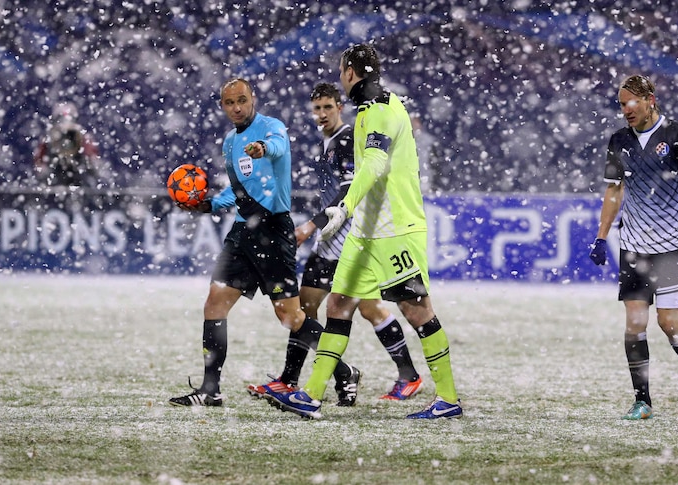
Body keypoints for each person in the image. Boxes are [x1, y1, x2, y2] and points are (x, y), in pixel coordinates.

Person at [266, 44, 462, 420]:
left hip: (393, 230)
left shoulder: (380, 111)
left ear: (351, 73)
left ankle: (448, 399)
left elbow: (372, 163)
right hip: (366, 233)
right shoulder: (375, 109)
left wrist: (344, 207)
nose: (341, 77)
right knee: (338, 305)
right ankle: (310, 395)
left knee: (417, 310)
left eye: (342, 71)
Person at [168, 78, 360, 407]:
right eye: (230, 103)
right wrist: (209, 205)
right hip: (243, 232)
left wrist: (263, 149)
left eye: (242, 100)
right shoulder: (230, 143)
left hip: (273, 231)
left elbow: (277, 147)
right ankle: (210, 390)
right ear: (222, 106)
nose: (237, 108)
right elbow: (238, 190)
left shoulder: (272, 128)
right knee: (214, 304)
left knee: (290, 316)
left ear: (252, 98)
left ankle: (344, 372)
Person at [248, 82, 423, 401]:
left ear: (340, 107)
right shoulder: (327, 141)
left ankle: (405, 375)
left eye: (328, 107)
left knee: (366, 308)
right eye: (317, 108)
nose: (322, 114)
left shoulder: (345, 139)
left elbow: (349, 188)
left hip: (346, 235)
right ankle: (297, 379)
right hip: (332, 238)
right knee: (307, 304)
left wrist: (310, 226)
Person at [589, 74, 678, 420]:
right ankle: (643, 401)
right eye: (621, 104)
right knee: (634, 324)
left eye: (630, 102)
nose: (625, 109)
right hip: (634, 247)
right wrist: (601, 236)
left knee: (669, 324)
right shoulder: (619, 141)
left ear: (649, 99)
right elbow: (614, 191)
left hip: (671, 246)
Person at [33, 102, 102, 187]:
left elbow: (97, 169)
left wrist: (85, 153)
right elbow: (39, 172)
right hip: (54, 186)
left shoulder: (84, 139)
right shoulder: (47, 141)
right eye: (60, 120)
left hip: (81, 185)